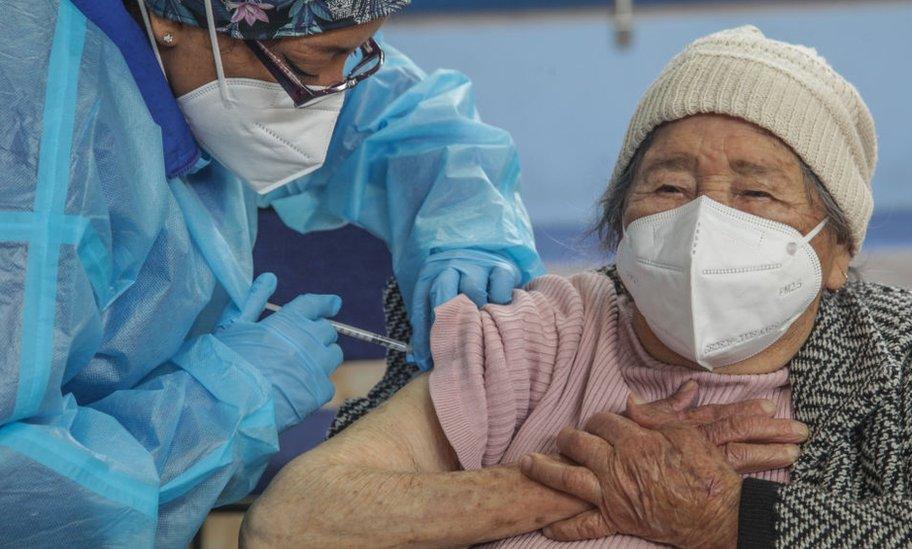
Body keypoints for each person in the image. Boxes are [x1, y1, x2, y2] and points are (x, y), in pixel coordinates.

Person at [241, 26, 912, 548]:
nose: (702, 221)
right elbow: (293, 520)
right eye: (668, 183)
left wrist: (733, 518)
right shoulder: (544, 333)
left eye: (755, 194)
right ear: (619, 219)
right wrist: (579, 479)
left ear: (838, 249)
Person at [0, 0, 542, 546]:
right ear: (170, 25)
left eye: (354, 56)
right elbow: (25, 496)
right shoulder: (29, 130)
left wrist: (465, 228)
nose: (334, 93)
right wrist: (220, 407)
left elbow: (403, 120)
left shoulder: (242, 45)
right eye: (310, 70)